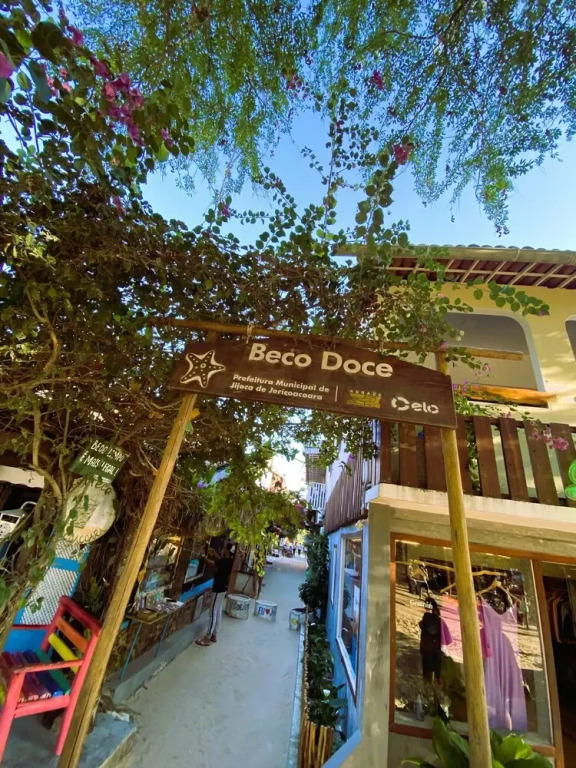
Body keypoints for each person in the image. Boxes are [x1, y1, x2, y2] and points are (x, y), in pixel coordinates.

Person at [196, 542, 235, 647]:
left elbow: (213, 563)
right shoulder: (229, 561)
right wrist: (214, 553)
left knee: (212, 612)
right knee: (217, 612)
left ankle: (207, 637)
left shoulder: (224, 562)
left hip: (218, 589)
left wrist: (204, 557)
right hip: (223, 589)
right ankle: (214, 634)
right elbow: (219, 560)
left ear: (227, 550)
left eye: (225, 548)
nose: (223, 549)